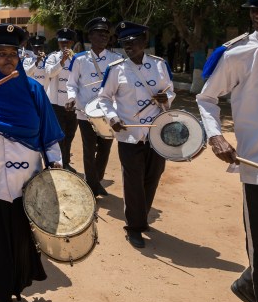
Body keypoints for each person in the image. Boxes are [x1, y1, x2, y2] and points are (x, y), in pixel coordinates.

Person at [0, 24, 63, 302]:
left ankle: (13, 292)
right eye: (1, 53)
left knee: (19, 247)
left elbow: (49, 136)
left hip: (26, 188)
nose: (8, 59)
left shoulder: (33, 90)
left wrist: (55, 166)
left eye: (13, 54)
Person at [196, 0, 258, 302]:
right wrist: (215, 135)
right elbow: (206, 97)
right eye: (254, 10)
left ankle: (248, 283)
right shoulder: (237, 53)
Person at [97, 21, 175, 249]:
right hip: (129, 134)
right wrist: (113, 118)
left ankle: (141, 216)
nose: (129, 46)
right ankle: (134, 227)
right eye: (124, 43)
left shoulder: (160, 65)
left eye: (133, 41)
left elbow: (170, 90)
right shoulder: (117, 69)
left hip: (157, 132)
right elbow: (104, 98)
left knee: (154, 175)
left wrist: (166, 98)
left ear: (144, 42)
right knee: (133, 180)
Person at [66, 17, 123, 196]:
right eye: (99, 33)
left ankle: (95, 181)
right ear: (90, 36)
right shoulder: (79, 59)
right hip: (85, 113)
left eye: (106, 33)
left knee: (105, 149)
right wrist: (71, 98)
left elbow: (122, 86)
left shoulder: (117, 59)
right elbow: (71, 84)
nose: (103, 37)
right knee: (89, 150)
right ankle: (92, 187)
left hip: (108, 113)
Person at [45, 28, 78, 172]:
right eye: (62, 42)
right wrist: (62, 61)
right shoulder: (52, 57)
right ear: (58, 43)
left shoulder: (77, 58)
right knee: (60, 135)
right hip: (56, 103)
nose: (65, 45)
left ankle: (66, 161)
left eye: (67, 42)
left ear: (71, 43)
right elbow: (50, 72)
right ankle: (59, 163)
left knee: (70, 135)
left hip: (73, 104)